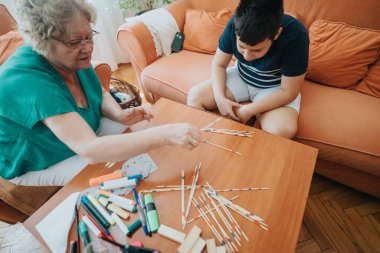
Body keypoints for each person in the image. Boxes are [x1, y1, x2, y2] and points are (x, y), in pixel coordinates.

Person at [0, 0, 201, 186]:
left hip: (82, 132)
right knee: (118, 179)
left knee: (145, 153)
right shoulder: (31, 81)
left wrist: (117, 113)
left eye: (89, 36)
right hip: (37, 156)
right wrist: (166, 134)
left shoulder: (72, 54)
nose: (87, 47)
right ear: (43, 43)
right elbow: (89, 149)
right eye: (75, 42)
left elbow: (101, 93)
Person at [187, 0, 309, 139]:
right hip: (241, 76)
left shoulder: (296, 35)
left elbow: (289, 91)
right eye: (242, 47)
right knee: (195, 96)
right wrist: (220, 98)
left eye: (256, 50)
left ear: (276, 34)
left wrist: (249, 110)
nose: (247, 56)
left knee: (283, 130)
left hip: (275, 88)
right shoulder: (235, 24)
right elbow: (219, 65)